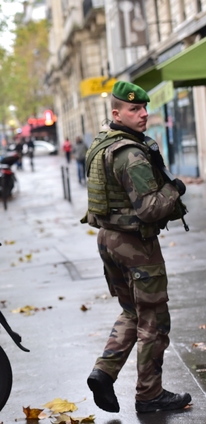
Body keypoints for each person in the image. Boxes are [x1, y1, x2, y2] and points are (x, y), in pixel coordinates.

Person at [83, 81, 190, 414]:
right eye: (134, 109)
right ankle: (149, 395)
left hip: (109, 239)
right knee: (154, 321)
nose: (143, 114)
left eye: (144, 108)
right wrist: (176, 189)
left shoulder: (102, 144)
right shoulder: (131, 154)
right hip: (135, 246)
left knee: (132, 312)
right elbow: (149, 209)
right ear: (117, 113)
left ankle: (103, 372)